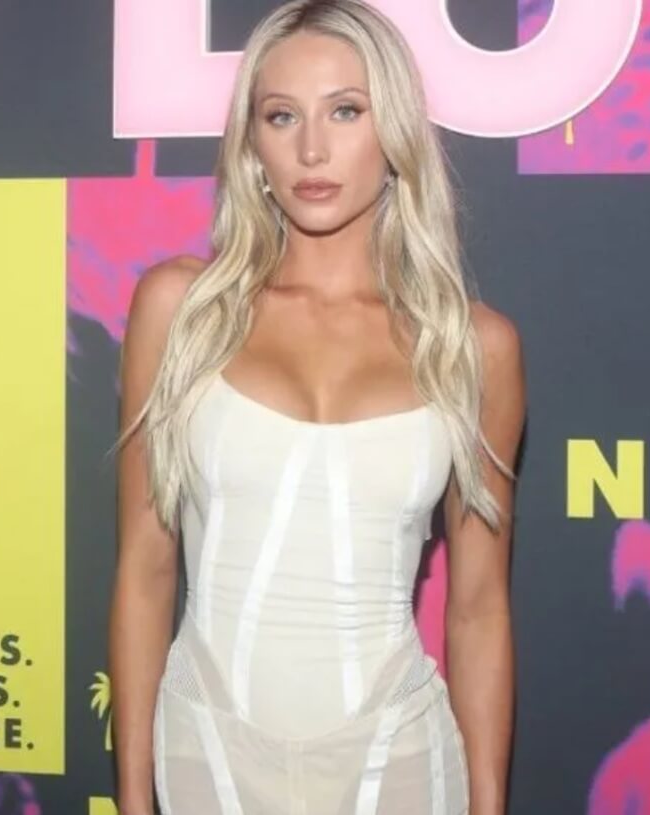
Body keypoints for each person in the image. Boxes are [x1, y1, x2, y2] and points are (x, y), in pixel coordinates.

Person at [107, 1, 525, 812]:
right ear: (252, 144)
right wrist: (132, 800)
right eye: (281, 116)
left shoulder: (475, 347)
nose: (310, 149)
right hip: (206, 755)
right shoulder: (181, 311)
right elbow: (145, 569)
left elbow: (478, 610)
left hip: (397, 760)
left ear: (394, 131)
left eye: (345, 111)